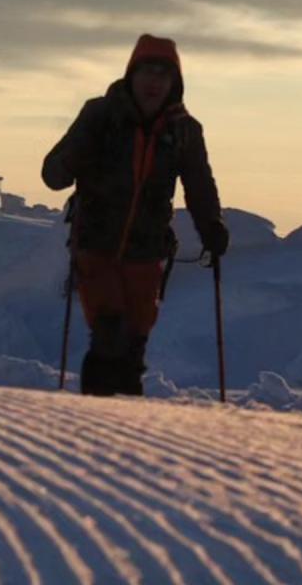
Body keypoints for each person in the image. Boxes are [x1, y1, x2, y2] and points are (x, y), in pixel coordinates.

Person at [42, 34, 229, 396]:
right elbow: (53, 175)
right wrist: (78, 151)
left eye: (164, 74)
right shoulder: (100, 115)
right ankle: (99, 419)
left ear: (175, 83)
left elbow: (199, 183)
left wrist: (212, 227)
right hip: (96, 243)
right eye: (147, 72)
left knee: (133, 344)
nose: (155, 82)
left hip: (147, 251)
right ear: (132, 75)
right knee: (109, 332)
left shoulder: (185, 131)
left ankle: (119, 427)